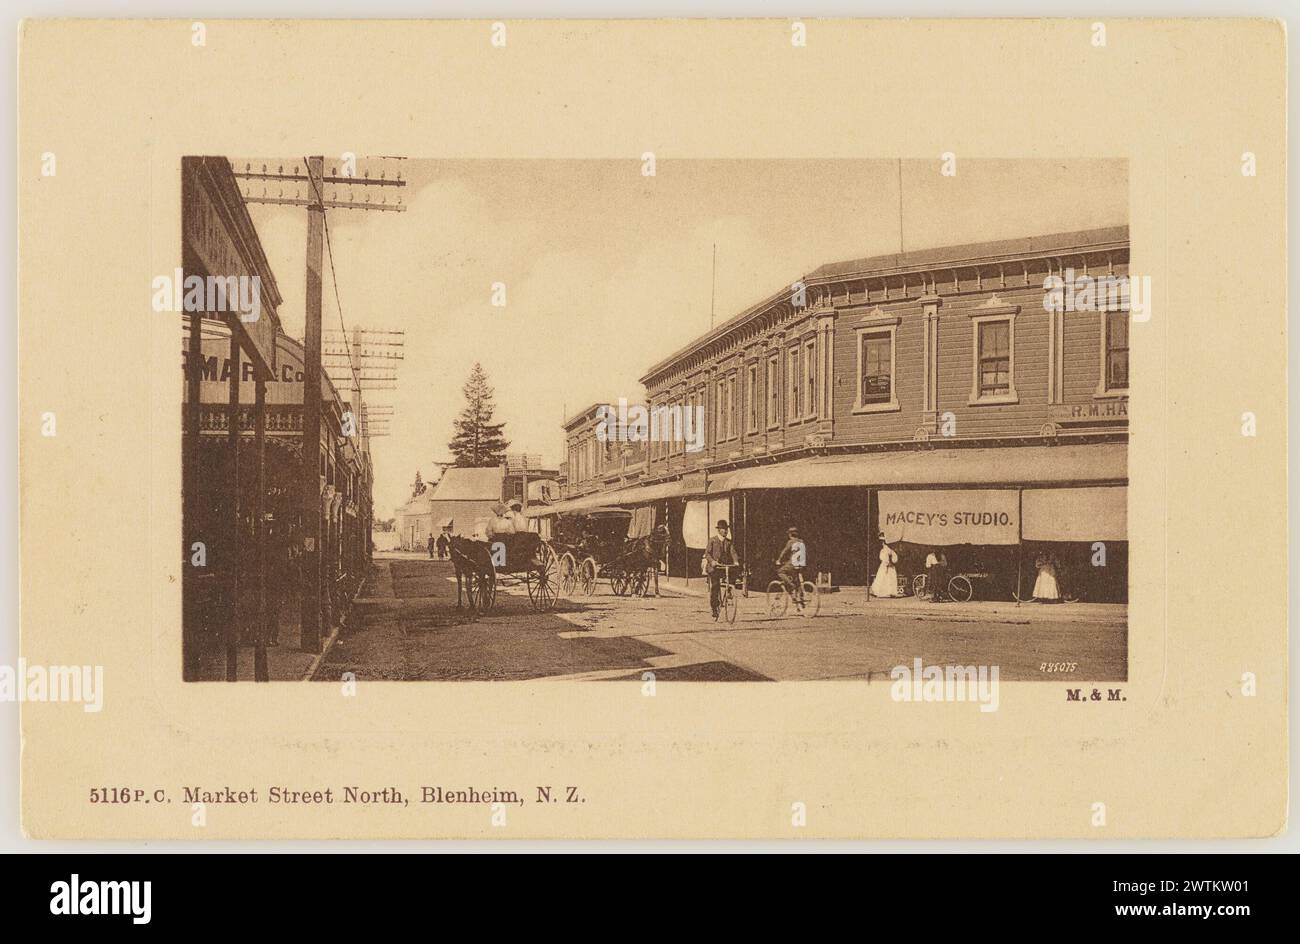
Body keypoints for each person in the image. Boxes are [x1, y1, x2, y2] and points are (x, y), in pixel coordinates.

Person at [703, 519, 740, 619]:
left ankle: (729, 590)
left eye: (726, 529)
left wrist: (736, 561)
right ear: (719, 530)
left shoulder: (729, 542)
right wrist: (712, 562)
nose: (726, 531)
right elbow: (707, 554)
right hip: (714, 567)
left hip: (724, 566)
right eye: (723, 529)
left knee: (734, 573)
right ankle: (714, 607)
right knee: (715, 585)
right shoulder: (712, 540)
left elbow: (733, 553)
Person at [775, 527, 806, 604]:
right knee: (796, 579)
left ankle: (791, 586)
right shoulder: (802, 542)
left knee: (780, 572)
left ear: (790, 534)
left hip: (793, 563)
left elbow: (784, 551)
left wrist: (779, 560)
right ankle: (800, 599)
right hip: (802, 564)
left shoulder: (791, 542)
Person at [871, 531, 901, 597]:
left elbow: (884, 559)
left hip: (885, 565)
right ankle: (889, 592)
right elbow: (895, 559)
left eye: (882, 542)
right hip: (889, 566)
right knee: (888, 579)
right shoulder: (891, 550)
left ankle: (881, 592)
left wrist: (887, 562)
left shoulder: (885, 550)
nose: (882, 543)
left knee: (883, 578)